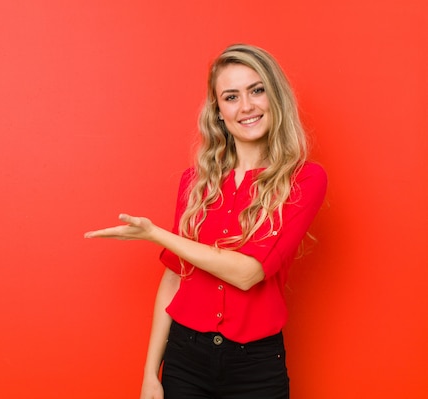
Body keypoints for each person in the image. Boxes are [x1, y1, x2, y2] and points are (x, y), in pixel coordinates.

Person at [84, 43, 327, 399]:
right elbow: (174, 278)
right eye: (231, 97)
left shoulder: (305, 180)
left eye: (257, 90)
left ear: (275, 97)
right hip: (184, 359)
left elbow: (248, 273)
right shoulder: (195, 182)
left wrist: (155, 234)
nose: (246, 106)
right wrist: (151, 373)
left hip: (256, 366)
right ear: (218, 112)